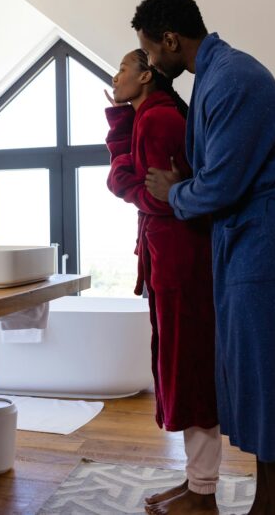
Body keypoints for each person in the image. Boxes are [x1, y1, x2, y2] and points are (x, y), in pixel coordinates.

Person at [136, 0, 275, 515]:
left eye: (151, 51)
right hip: (253, 238)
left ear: (170, 38)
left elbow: (223, 184)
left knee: (271, 378)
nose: (152, 64)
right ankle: (267, 504)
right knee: (264, 378)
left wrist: (173, 191)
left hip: (266, 240)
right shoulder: (218, 76)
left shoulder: (232, 80)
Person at [105, 49, 221, 515]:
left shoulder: (158, 120)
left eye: (123, 69)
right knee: (183, 369)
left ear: (147, 75)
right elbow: (143, 186)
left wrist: (126, 184)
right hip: (173, 259)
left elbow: (158, 197)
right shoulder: (152, 116)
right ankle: (196, 482)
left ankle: (203, 491)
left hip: (180, 261)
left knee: (189, 372)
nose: (115, 77)